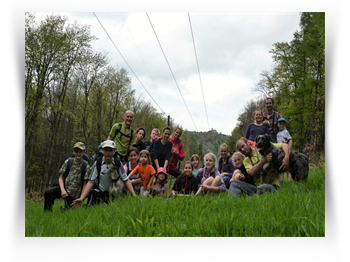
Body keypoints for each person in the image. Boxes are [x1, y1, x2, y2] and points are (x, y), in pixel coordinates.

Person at [72, 140, 136, 207]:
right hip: (101, 193)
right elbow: (91, 182)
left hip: (114, 194)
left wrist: (134, 196)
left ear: (114, 151)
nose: (108, 152)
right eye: (106, 150)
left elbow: (125, 179)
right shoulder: (98, 163)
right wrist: (82, 199)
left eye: (110, 150)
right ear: (103, 151)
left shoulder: (117, 163)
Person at [44, 142, 90, 211]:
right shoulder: (68, 162)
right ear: (73, 151)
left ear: (84, 152)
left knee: (69, 211)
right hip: (65, 189)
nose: (78, 153)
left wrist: (81, 199)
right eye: (76, 151)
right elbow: (61, 177)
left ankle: (64, 208)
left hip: (75, 194)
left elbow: (85, 184)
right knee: (48, 193)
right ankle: (47, 212)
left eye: (80, 151)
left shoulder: (86, 166)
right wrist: (62, 190)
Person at [276, 118, 293, 185]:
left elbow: (290, 140)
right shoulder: (277, 133)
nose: (281, 125)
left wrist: (289, 149)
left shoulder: (286, 132)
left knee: (289, 167)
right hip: (280, 151)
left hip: (286, 151)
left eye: (283, 124)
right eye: (280, 124)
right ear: (277, 125)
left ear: (285, 125)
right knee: (281, 167)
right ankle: (281, 182)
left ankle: (289, 182)